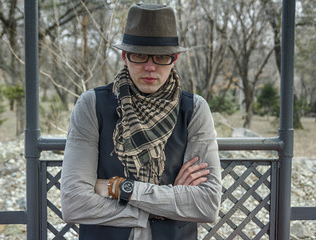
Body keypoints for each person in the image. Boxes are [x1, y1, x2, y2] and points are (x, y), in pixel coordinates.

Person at [61, 3, 222, 240]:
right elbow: (74, 203)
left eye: (161, 57)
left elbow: (207, 205)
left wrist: (117, 188)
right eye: (139, 55)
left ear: (174, 58)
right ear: (125, 57)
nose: (150, 66)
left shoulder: (194, 109)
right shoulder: (92, 105)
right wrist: (167, 204)